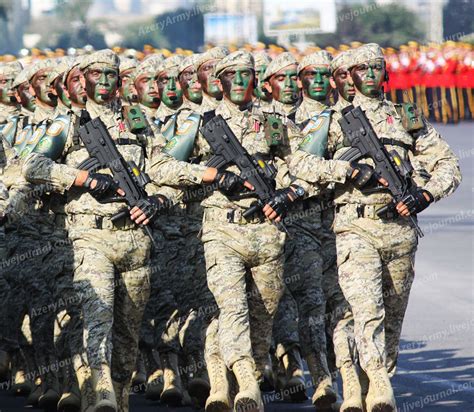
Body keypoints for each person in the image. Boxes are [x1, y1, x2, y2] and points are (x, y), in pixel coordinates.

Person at [285, 43, 461, 412]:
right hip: (355, 226)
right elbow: (298, 161)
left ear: (385, 74)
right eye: (358, 69)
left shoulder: (405, 115)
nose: (368, 75)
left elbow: (446, 162)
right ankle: (377, 384)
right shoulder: (330, 121)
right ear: (345, 77)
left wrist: (426, 194)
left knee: (393, 317)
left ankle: (374, 380)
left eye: (375, 67)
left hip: (400, 230)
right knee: (367, 311)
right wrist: (345, 170)